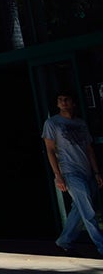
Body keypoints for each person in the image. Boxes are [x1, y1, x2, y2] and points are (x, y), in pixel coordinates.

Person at [43, 91, 103, 255]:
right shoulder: (52, 123)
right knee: (87, 210)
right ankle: (101, 244)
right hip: (70, 172)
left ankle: (65, 239)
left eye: (66, 99)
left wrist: (96, 172)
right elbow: (49, 150)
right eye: (60, 100)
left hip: (87, 171)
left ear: (73, 102)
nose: (63, 102)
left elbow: (89, 149)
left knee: (79, 208)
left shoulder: (81, 123)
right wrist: (58, 175)